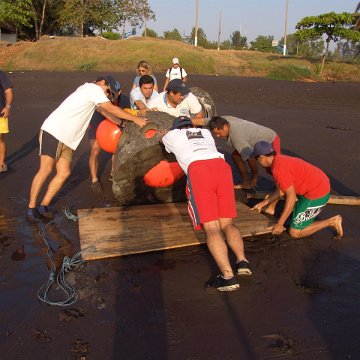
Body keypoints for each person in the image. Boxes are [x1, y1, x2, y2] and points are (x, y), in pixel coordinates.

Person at [26, 75, 147, 222]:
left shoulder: (89, 91)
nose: (108, 95)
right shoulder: (92, 88)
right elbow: (109, 108)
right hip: (54, 131)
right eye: (109, 91)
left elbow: (104, 111)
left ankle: (43, 206)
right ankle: (31, 209)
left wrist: (122, 123)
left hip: (68, 139)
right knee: (46, 169)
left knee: (64, 173)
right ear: (102, 83)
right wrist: (135, 119)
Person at [159, 116, 252, 292]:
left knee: (211, 227)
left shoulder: (174, 134)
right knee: (227, 223)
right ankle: (242, 261)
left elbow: (161, 140)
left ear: (177, 128)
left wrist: (165, 135)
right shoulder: (205, 132)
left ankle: (228, 276)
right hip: (221, 168)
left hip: (200, 171)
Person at [251, 141, 343, 239]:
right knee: (285, 196)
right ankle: (292, 209)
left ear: (261, 157)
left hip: (317, 191)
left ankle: (332, 221)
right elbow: (281, 191)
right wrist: (263, 203)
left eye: (256, 159)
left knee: (295, 232)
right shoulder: (277, 160)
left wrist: (280, 224)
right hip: (315, 181)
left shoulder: (278, 169)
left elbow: (291, 197)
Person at [205, 115, 280, 190]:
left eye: (219, 132)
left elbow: (251, 159)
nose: (217, 136)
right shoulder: (225, 120)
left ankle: (283, 188)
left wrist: (254, 177)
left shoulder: (236, 137)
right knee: (236, 156)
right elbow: (203, 121)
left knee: (273, 166)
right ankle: (246, 182)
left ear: (225, 127)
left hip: (270, 139)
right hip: (252, 142)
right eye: (215, 134)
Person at [88, 76, 131, 192]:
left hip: (116, 123)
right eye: (108, 92)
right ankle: (94, 180)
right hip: (98, 120)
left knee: (117, 148)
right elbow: (101, 111)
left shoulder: (125, 101)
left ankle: (113, 173)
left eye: (113, 93)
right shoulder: (101, 99)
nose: (110, 95)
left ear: (119, 92)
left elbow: (127, 115)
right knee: (95, 150)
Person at [0, 71, 14, 173]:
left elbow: (8, 91)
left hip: (0, 112)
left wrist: (8, 106)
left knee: (0, 138)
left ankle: (1, 163)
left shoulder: (1, 74)